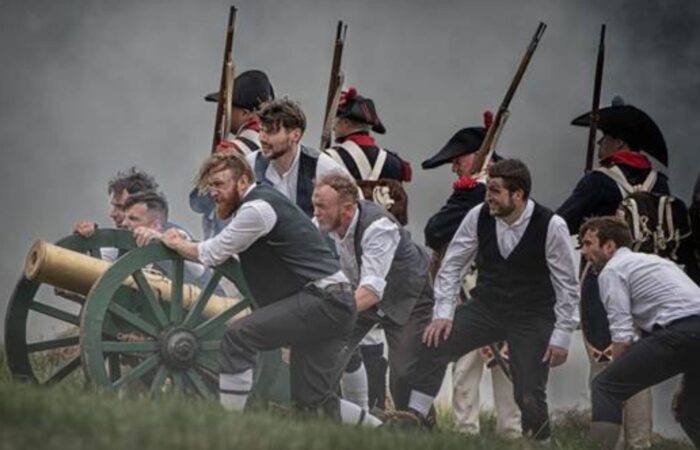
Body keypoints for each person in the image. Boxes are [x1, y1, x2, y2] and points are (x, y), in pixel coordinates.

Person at [158, 152, 380, 426]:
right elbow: (228, 253)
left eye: (219, 184)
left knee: (238, 336)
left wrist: (175, 243)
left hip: (325, 300)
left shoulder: (256, 209)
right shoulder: (255, 208)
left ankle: (228, 427)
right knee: (312, 403)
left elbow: (214, 253)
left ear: (242, 182)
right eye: (210, 186)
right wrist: (181, 239)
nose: (213, 193)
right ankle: (383, 432)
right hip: (335, 303)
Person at [403, 159, 579, 442]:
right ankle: (413, 419)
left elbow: (568, 285)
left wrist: (562, 335)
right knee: (434, 342)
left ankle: (541, 444)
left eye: (495, 191)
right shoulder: (479, 215)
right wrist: (443, 314)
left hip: (532, 315)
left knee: (529, 392)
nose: (488, 197)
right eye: (488, 190)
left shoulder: (552, 225)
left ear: (518, 194)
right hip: (488, 306)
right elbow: (452, 265)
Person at [558, 101, 697, 448]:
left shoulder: (598, 181)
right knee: (642, 367)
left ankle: (611, 441)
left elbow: (563, 222)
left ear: (618, 144)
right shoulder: (659, 181)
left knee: (608, 368)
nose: (600, 144)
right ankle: (640, 441)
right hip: (653, 281)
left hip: (604, 279)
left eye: (605, 138)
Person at [422, 119, 521, 438]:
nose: (454, 167)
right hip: (501, 291)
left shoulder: (474, 193)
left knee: (472, 365)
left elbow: (434, 229)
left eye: (459, 159)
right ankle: (507, 433)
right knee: (489, 366)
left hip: (479, 289)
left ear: (480, 157)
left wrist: (470, 193)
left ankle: (474, 433)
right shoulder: (508, 191)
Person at [312, 173, 433, 411]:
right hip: (363, 294)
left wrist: (331, 311)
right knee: (331, 346)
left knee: (404, 372)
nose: (316, 212)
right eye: (314, 206)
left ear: (347, 209)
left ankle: (419, 425)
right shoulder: (323, 221)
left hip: (407, 296)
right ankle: (328, 410)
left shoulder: (378, 227)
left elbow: (372, 292)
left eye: (321, 206)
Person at [578, 216, 700, 449]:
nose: (584, 252)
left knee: (605, 385)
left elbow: (622, 333)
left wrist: (618, 378)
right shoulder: (657, 262)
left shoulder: (612, 270)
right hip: (691, 333)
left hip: (679, 332)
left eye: (588, 243)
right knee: (689, 411)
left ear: (610, 246)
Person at [192, 70, 275, 239]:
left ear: (245, 113)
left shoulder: (232, 149)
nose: (224, 113)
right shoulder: (277, 145)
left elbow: (199, 201)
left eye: (230, 108)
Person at [246, 98, 345, 218]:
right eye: (261, 130)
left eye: (271, 131)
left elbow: (348, 209)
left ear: (295, 135)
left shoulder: (322, 167)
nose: (262, 138)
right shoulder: (250, 164)